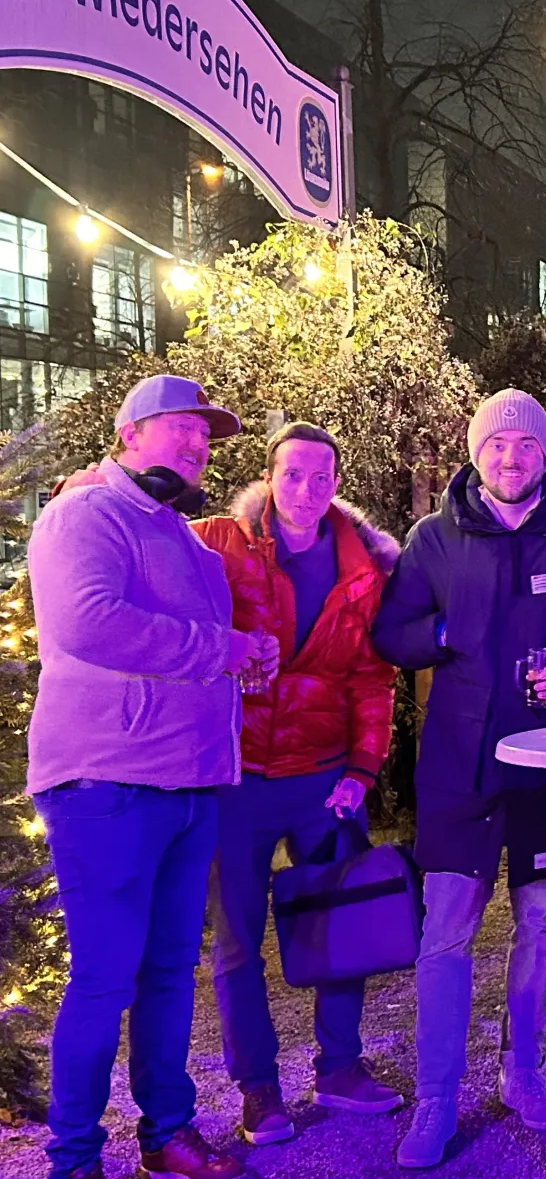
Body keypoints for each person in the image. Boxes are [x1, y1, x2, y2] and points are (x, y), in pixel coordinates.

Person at [28, 374, 276, 1179]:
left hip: (186, 783)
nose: (199, 444)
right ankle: (72, 1159)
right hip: (106, 784)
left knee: (171, 970)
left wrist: (245, 660)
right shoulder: (84, 514)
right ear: (131, 432)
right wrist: (221, 651)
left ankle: (166, 1133)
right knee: (104, 978)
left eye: (206, 435)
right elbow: (89, 623)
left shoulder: (181, 535)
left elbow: (201, 644)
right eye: (182, 428)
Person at [373, 390, 546, 1169]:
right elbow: (393, 634)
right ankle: (437, 1099)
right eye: (497, 446)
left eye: (527, 446)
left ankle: (522, 1072)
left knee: (540, 924)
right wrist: (443, 631)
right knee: (445, 936)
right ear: (477, 455)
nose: (511, 459)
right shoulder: (435, 539)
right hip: (459, 765)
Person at [190, 422, 403, 1145]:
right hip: (236, 776)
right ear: (270, 477)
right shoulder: (220, 542)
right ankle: (259, 1090)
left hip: (323, 777)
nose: (306, 490)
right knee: (237, 943)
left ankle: (340, 1068)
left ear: (337, 482)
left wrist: (361, 770)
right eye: (293, 475)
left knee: (344, 922)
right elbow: (138, 539)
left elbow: (373, 678)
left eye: (321, 477)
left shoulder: (365, 568)